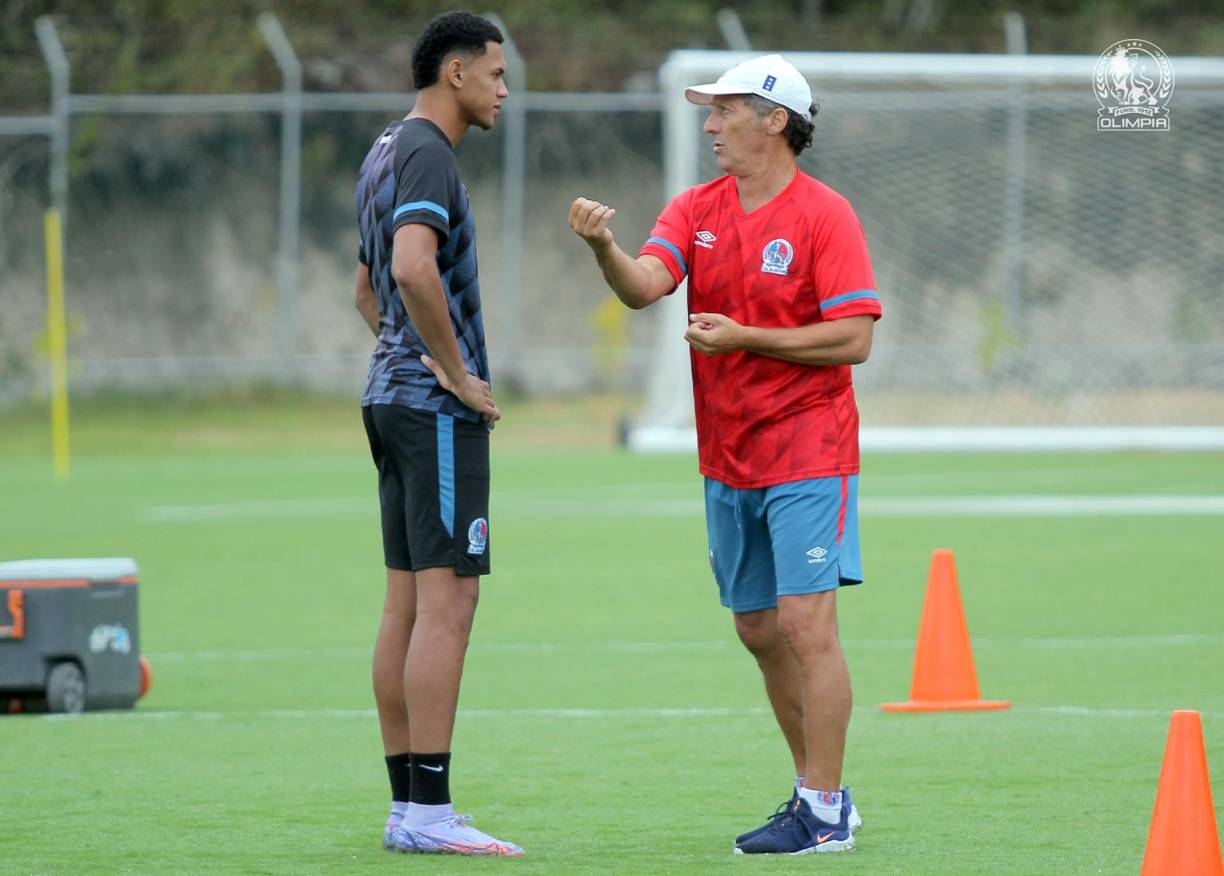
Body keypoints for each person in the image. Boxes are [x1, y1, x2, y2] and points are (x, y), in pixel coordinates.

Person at [568, 53, 881, 855]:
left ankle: (822, 809)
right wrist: (604, 248)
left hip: (809, 447)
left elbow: (854, 338)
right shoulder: (695, 207)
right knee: (757, 629)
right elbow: (645, 285)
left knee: (807, 626)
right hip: (728, 454)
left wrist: (749, 338)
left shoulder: (825, 216)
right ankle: (818, 796)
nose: (709, 125)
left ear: (774, 120)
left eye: (724, 110)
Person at [352, 10, 522, 857]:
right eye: (495, 73)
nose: (504, 90)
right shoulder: (428, 152)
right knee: (449, 604)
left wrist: (403, 360)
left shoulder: (385, 148)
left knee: (408, 606)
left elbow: (366, 291)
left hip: (389, 400)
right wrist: (453, 375)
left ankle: (405, 808)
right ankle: (429, 812)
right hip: (432, 411)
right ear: (456, 72)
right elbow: (412, 268)